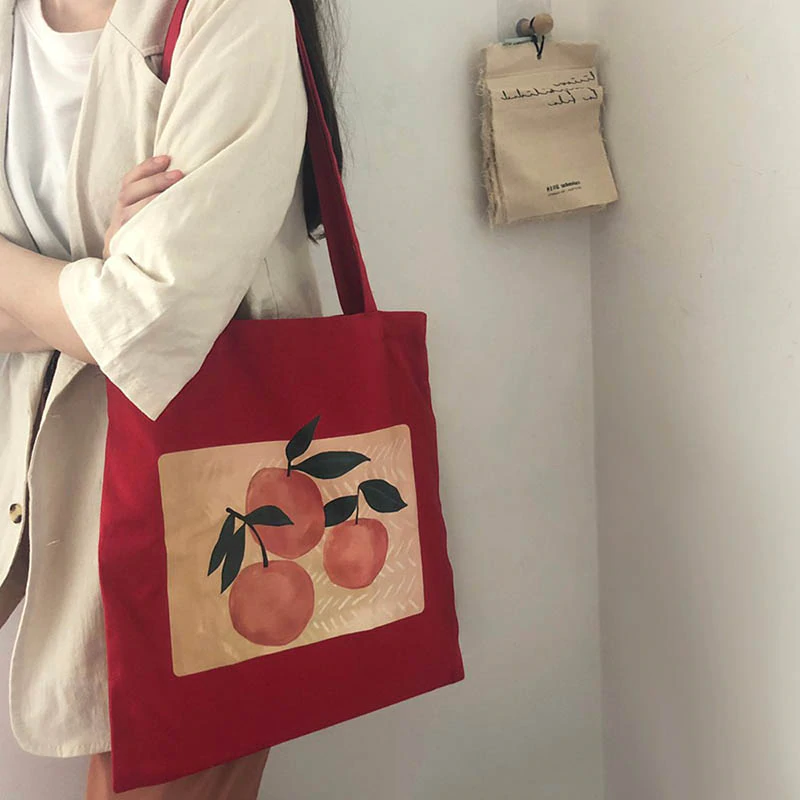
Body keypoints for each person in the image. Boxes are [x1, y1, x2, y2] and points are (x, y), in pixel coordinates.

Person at [0, 0, 344, 795]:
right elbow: (122, 311)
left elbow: (148, 315)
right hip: (33, 470)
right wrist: (99, 285)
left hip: (209, 501)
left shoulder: (229, 11)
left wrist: (109, 302)